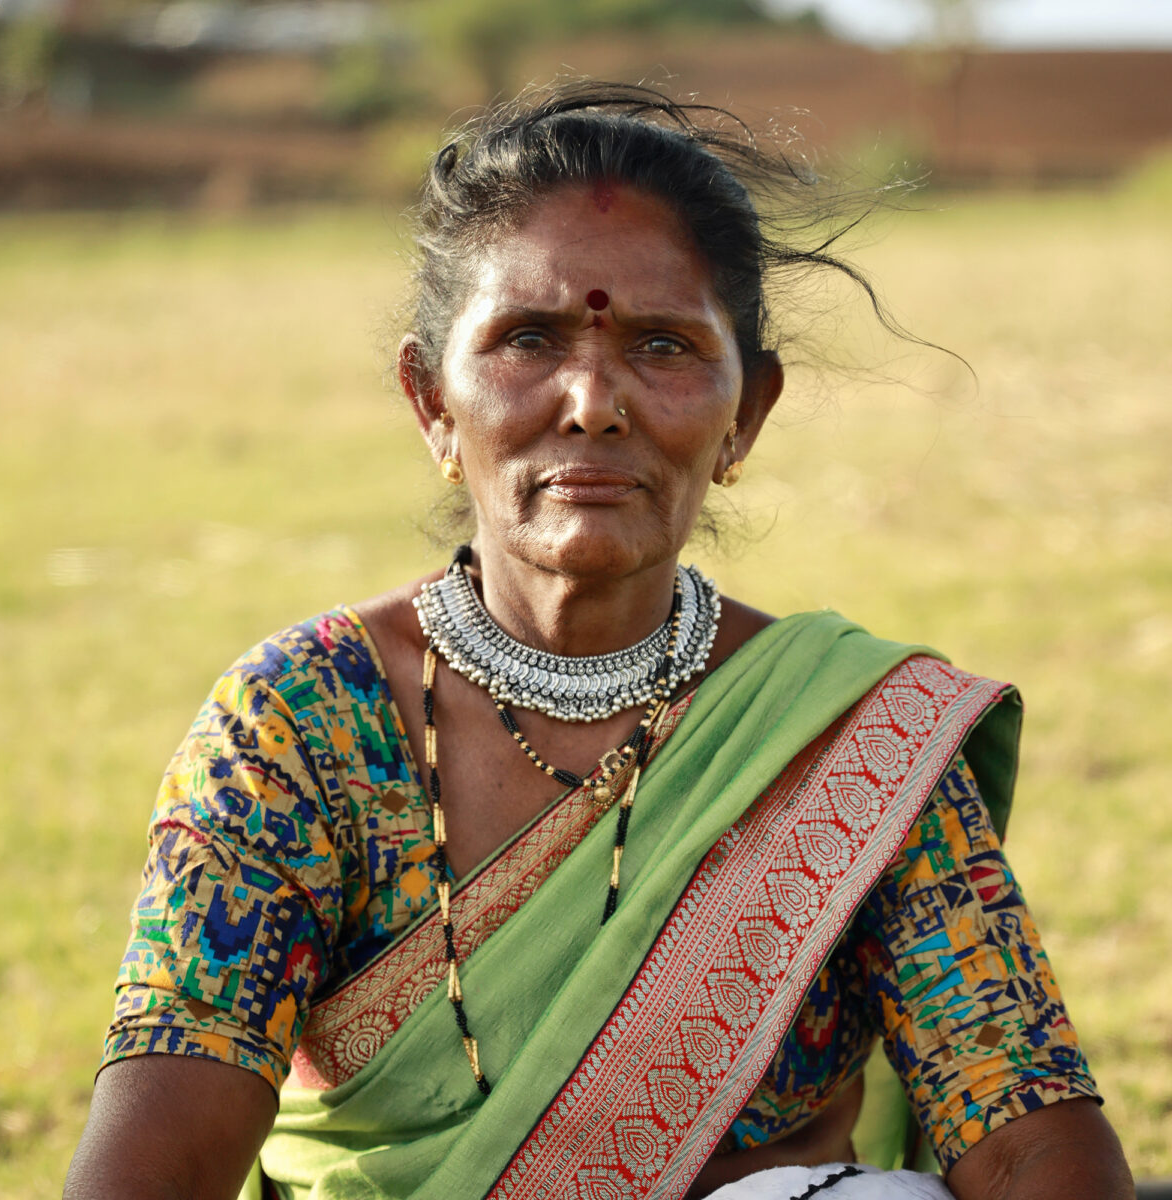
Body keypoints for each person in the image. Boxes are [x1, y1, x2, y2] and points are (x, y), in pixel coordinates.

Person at [63, 83, 1133, 1200]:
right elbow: (161, 1154)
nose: (593, 402)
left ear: (747, 413)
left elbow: (1027, 1136)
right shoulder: (298, 723)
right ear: (432, 401)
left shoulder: (848, 739)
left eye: (663, 345)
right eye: (527, 338)